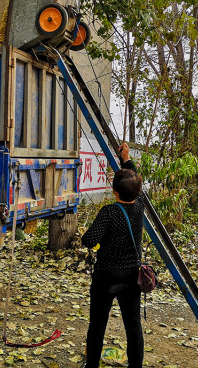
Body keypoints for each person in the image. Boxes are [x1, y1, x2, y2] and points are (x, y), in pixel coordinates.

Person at [81, 142, 144, 368]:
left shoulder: (109, 212)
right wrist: (125, 158)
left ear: (114, 191)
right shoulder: (140, 207)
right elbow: (134, 179)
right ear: (137, 191)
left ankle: (92, 366)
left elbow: (89, 240)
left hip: (106, 276)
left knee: (97, 324)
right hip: (132, 277)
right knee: (133, 326)